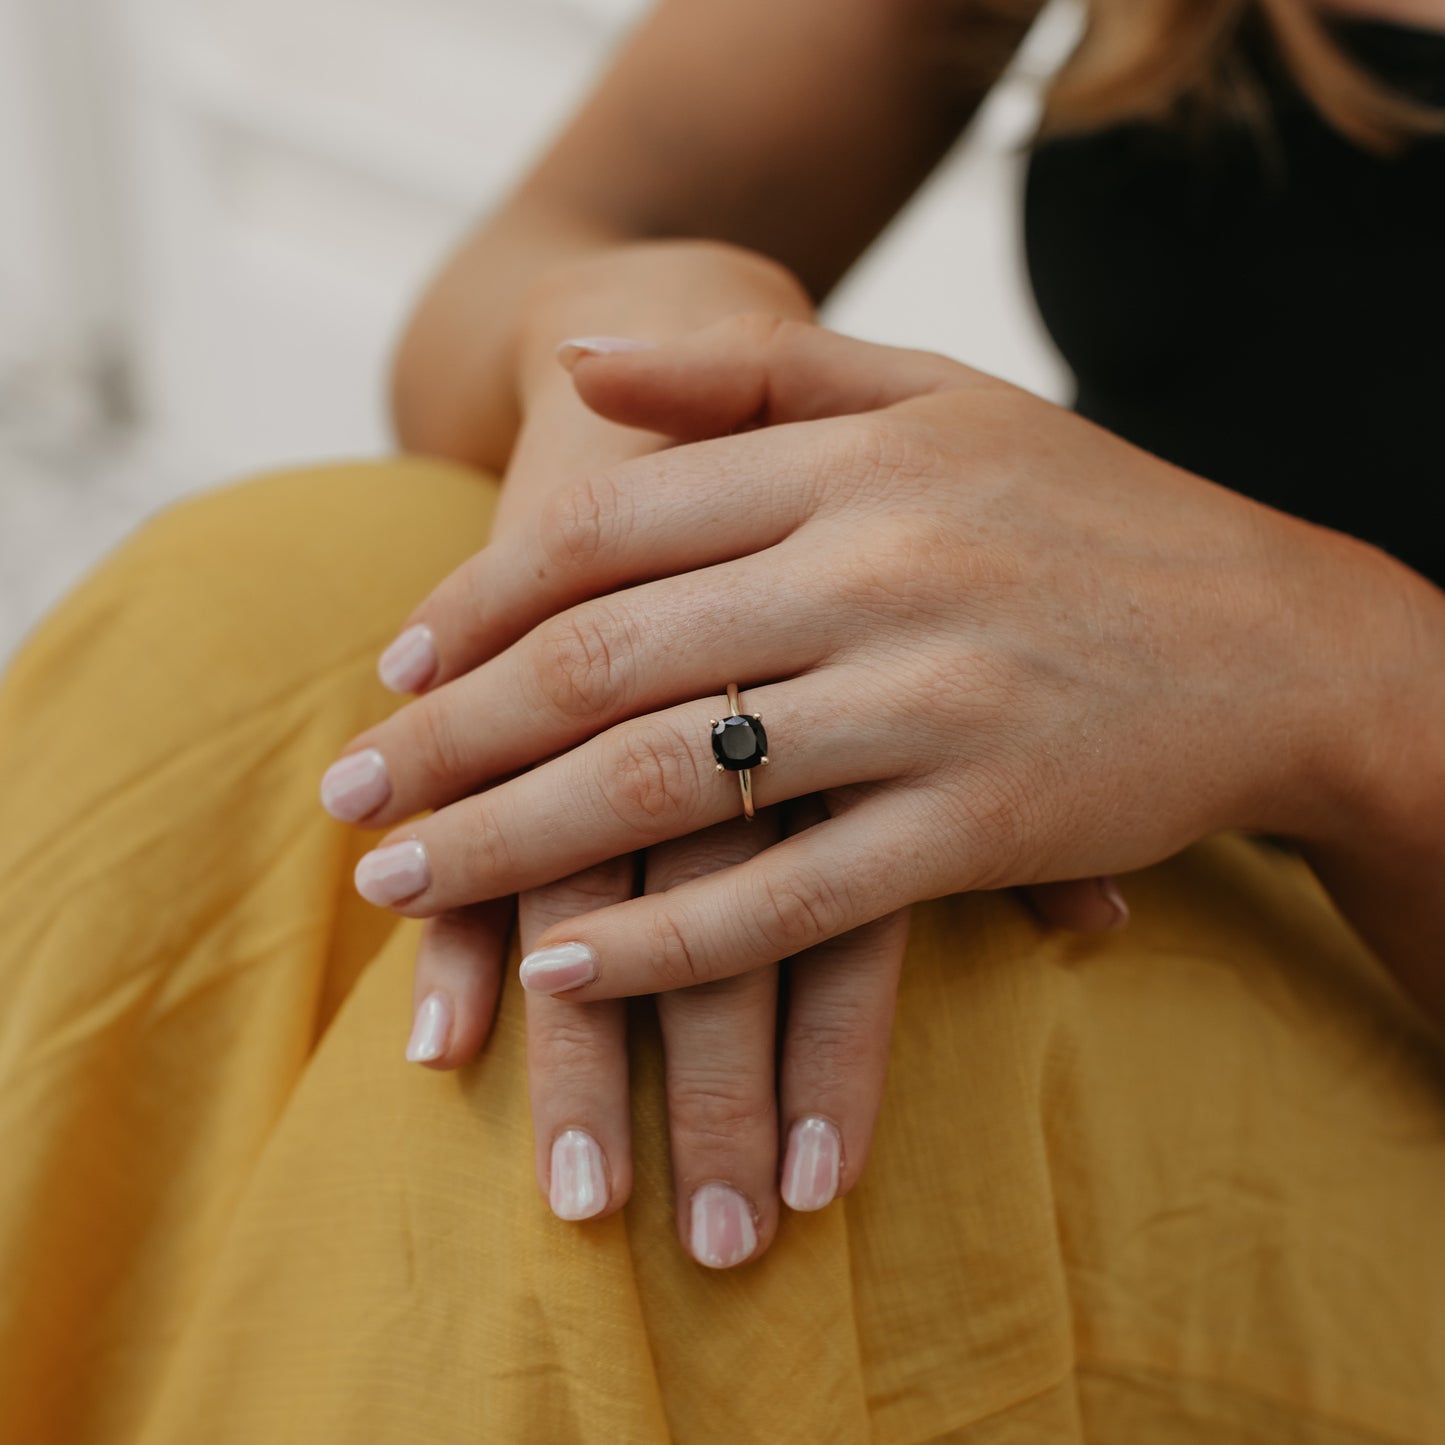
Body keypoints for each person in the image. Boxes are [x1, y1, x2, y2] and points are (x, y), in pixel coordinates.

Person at [1, 1, 1442, 1439]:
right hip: (1105, 784)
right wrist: (648, 335)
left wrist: (1335, 666)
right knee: (256, 621)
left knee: (679, 1102)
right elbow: (544, 247)